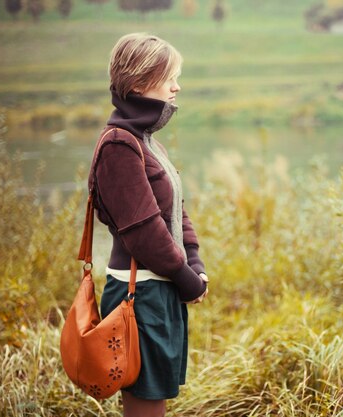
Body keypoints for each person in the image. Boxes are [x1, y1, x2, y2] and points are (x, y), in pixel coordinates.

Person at [90, 33, 209, 417]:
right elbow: (144, 232)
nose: (177, 86)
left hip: (159, 291)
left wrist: (196, 264)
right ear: (139, 83)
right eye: (168, 77)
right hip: (137, 296)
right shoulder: (119, 145)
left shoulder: (147, 142)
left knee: (154, 403)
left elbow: (176, 212)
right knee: (145, 409)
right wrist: (186, 279)